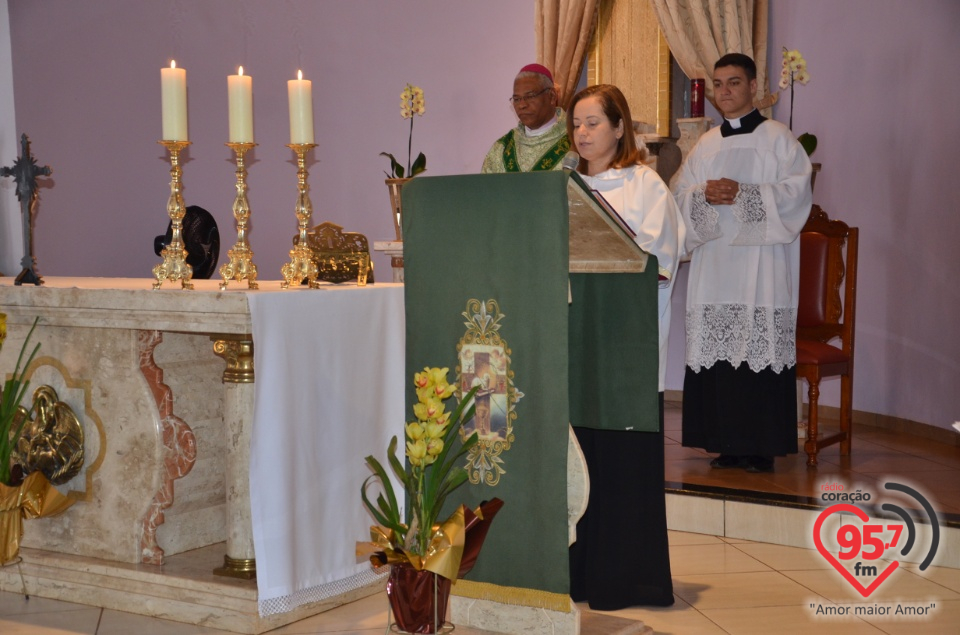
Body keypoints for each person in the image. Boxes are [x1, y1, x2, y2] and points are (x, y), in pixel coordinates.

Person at [566, 84, 682, 609]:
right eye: (577, 123)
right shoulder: (559, 187)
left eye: (593, 122)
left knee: (618, 459)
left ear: (620, 127)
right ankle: (575, 572)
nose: (583, 133)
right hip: (571, 344)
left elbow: (656, 261)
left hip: (622, 351)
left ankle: (624, 578)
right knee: (578, 458)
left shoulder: (645, 186)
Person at [673, 53, 813, 474]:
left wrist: (744, 193)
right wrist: (702, 196)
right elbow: (678, 198)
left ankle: (760, 447)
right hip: (715, 267)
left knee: (757, 352)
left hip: (761, 267)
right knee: (719, 358)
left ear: (753, 87)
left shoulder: (778, 138)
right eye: (718, 84)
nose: (725, 92)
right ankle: (725, 443)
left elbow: (796, 196)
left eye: (734, 82)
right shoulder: (706, 144)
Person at [481, 64, 570, 173]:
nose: (522, 105)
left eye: (530, 96)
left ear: (551, 96)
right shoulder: (501, 149)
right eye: (517, 99)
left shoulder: (576, 141)